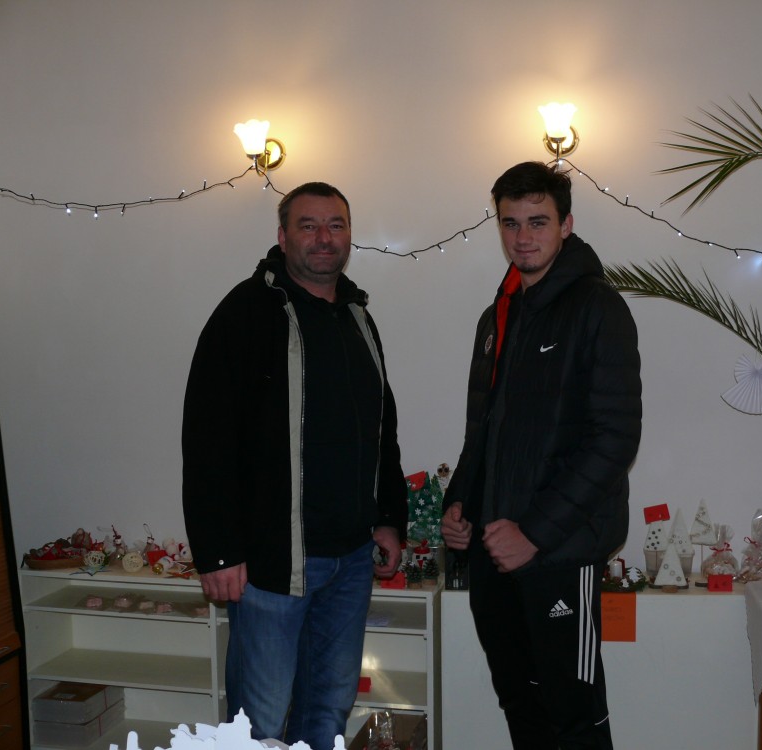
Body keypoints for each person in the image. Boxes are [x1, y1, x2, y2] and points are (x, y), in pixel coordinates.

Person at [182, 182, 407, 749]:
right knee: (258, 725)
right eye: (308, 226)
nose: (323, 238)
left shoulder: (357, 317)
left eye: (335, 225)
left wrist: (388, 517)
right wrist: (217, 550)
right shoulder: (245, 313)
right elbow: (206, 438)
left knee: (327, 712)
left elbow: (381, 427)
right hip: (271, 565)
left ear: (349, 236)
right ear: (282, 237)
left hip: (350, 561)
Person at [441, 161, 642, 749]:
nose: (522, 237)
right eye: (510, 223)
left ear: (566, 224)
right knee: (520, 707)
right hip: (493, 556)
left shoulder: (599, 308)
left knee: (574, 719)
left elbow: (614, 439)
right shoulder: (497, 317)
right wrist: (460, 506)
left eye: (537, 222)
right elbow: (484, 431)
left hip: (558, 553)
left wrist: (534, 533)